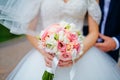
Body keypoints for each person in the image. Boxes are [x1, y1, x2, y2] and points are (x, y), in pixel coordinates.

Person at [0, 0, 120, 80]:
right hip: (46, 55)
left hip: (81, 53)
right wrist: (44, 51)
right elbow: (30, 30)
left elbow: (94, 32)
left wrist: (75, 54)